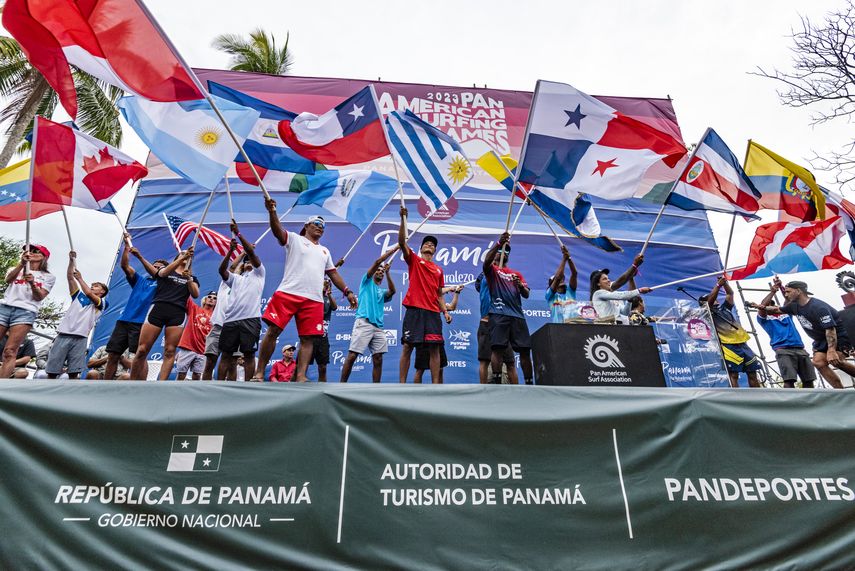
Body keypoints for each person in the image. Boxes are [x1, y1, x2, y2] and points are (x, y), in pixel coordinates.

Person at [253, 199, 357, 382]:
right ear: (306, 226)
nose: (320, 227)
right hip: (288, 292)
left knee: (308, 339)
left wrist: (348, 291)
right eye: (316, 224)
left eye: (323, 226)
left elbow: (333, 274)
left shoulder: (325, 251)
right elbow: (278, 231)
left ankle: (301, 375)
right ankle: (260, 372)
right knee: (273, 331)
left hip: (314, 300)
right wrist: (272, 211)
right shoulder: (294, 239)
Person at [752, 279, 855, 389]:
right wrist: (760, 307)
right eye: (785, 292)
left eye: (788, 292)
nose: (786, 295)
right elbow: (775, 309)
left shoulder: (818, 307)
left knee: (836, 361)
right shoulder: (793, 307)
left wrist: (831, 350)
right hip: (819, 339)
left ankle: (840, 379)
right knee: (818, 362)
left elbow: (830, 329)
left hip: (837, 336)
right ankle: (839, 391)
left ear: (798, 291)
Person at [129, 248, 199, 381]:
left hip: (177, 313)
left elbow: (195, 294)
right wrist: (182, 259)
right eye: (182, 253)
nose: (185, 255)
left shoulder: (192, 277)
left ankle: (162, 384)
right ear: (177, 257)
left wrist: (189, 279)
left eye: (187, 254)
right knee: (142, 349)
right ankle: (132, 381)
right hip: (158, 309)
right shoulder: (168, 270)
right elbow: (161, 274)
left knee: (170, 350)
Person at [398, 206, 450, 383]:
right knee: (407, 347)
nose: (430, 245)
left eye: (433, 244)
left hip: (433, 313)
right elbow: (402, 243)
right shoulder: (414, 260)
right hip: (415, 310)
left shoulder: (438, 270)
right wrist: (403, 220)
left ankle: (435, 384)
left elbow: (439, 295)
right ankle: (402, 385)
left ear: (434, 251)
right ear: (421, 249)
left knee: (435, 348)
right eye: (426, 243)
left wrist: (445, 312)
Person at [103, 237, 166, 382]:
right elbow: (125, 265)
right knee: (113, 354)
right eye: (154, 265)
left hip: (143, 323)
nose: (155, 268)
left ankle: (140, 386)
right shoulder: (141, 279)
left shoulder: (164, 283)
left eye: (158, 267)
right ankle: (104, 385)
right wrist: (126, 248)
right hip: (124, 320)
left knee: (140, 355)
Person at [46, 251, 109, 379]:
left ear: (102, 291)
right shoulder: (78, 296)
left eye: (96, 286)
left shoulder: (102, 303)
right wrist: (71, 261)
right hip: (63, 335)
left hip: (80, 338)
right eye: (91, 285)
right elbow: (70, 277)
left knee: (74, 372)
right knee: (52, 370)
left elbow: (89, 294)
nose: (92, 287)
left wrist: (80, 278)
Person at [340, 246, 398, 383]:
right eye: (378, 271)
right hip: (364, 323)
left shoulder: (381, 291)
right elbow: (378, 261)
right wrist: (396, 248)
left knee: (378, 358)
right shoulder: (366, 282)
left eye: (382, 272)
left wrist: (388, 273)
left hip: (378, 327)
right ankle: (341, 385)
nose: (380, 272)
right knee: (353, 355)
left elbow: (392, 291)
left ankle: (376, 388)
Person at [482, 233, 533, 385]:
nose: (503, 253)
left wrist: (519, 285)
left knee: (524, 351)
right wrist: (499, 243)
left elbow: (526, 294)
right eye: (501, 250)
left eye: (506, 251)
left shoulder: (516, 274)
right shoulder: (492, 271)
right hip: (498, 313)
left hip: (517, 315)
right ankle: (497, 382)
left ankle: (530, 384)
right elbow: (486, 263)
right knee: (497, 349)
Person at [217, 223, 264, 382]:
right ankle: (219, 386)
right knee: (226, 355)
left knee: (249, 354)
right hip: (231, 320)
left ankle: (249, 387)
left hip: (250, 319)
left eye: (251, 258)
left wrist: (239, 235)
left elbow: (250, 252)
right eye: (246, 260)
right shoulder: (236, 278)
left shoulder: (260, 273)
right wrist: (230, 250)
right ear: (243, 265)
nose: (249, 261)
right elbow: (222, 271)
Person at [0, 244, 55, 379]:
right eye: (30, 250)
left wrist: (32, 283)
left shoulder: (48, 277)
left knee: (10, 351)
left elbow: (39, 296)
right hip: (5, 307)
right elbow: (8, 279)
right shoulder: (15, 268)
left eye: (37, 251)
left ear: (44, 257)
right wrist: (21, 264)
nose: (32, 253)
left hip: (26, 311)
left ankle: (2, 386)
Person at [752, 277, 816, 389]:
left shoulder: (786, 313)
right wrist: (772, 292)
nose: (771, 306)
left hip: (800, 349)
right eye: (769, 305)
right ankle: (791, 405)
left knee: (809, 380)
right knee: (789, 381)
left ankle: (810, 404)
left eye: (773, 304)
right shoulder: (764, 319)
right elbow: (762, 306)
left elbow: (789, 300)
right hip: (783, 350)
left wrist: (781, 287)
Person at [700, 276, 761, 388]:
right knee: (733, 376)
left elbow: (730, 294)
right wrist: (718, 285)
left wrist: (724, 283)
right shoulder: (707, 314)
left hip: (743, 344)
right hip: (729, 347)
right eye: (711, 297)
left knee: (752, 374)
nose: (715, 298)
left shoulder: (724, 309)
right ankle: (737, 401)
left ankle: (761, 401)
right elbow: (709, 302)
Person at [202, 253, 244, 381]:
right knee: (210, 361)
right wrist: (242, 253)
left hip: (236, 328)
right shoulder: (226, 283)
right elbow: (230, 268)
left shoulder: (246, 286)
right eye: (239, 270)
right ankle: (205, 391)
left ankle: (229, 392)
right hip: (218, 327)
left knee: (232, 364)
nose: (239, 272)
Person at [414, 285, 463, 384]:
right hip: (423, 335)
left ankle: (438, 393)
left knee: (440, 368)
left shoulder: (439, 300)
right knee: (420, 369)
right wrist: (449, 288)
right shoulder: (426, 293)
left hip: (436, 336)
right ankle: (416, 396)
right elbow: (436, 292)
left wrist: (457, 293)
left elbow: (452, 307)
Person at [475, 269, 517, 384]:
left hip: (502, 325)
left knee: (510, 362)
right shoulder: (484, 283)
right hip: (486, 324)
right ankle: (483, 391)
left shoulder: (503, 289)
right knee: (484, 361)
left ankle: (518, 392)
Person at [590, 253, 649, 321]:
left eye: (608, 278)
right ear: (597, 283)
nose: (608, 280)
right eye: (604, 279)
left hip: (619, 328)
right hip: (607, 328)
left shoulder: (611, 296)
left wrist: (629, 300)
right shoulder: (598, 293)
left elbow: (625, 312)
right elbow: (621, 288)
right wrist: (639, 290)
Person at [175, 291, 217, 380]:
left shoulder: (217, 316)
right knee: (181, 374)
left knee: (197, 375)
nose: (211, 299)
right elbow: (186, 296)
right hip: (188, 347)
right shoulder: (194, 308)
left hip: (203, 350)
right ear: (205, 300)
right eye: (209, 297)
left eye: (215, 298)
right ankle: (176, 391)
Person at [310, 278, 337, 382]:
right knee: (301, 366)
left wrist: (329, 294)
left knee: (323, 367)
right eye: (323, 283)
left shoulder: (328, 298)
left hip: (323, 337)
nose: (325, 285)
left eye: (327, 284)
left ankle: (322, 390)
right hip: (309, 337)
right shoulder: (313, 297)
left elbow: (335, 307)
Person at [546, 245, 578, 323]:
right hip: (559, 329)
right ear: (552, 285)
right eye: (559, 280)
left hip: (574, 328)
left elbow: (574, 273)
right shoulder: (549, 295)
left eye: (563, 279)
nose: (562, 280)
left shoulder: (570, 291)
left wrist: (569, 258)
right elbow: (558, 277)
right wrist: (564, 258)